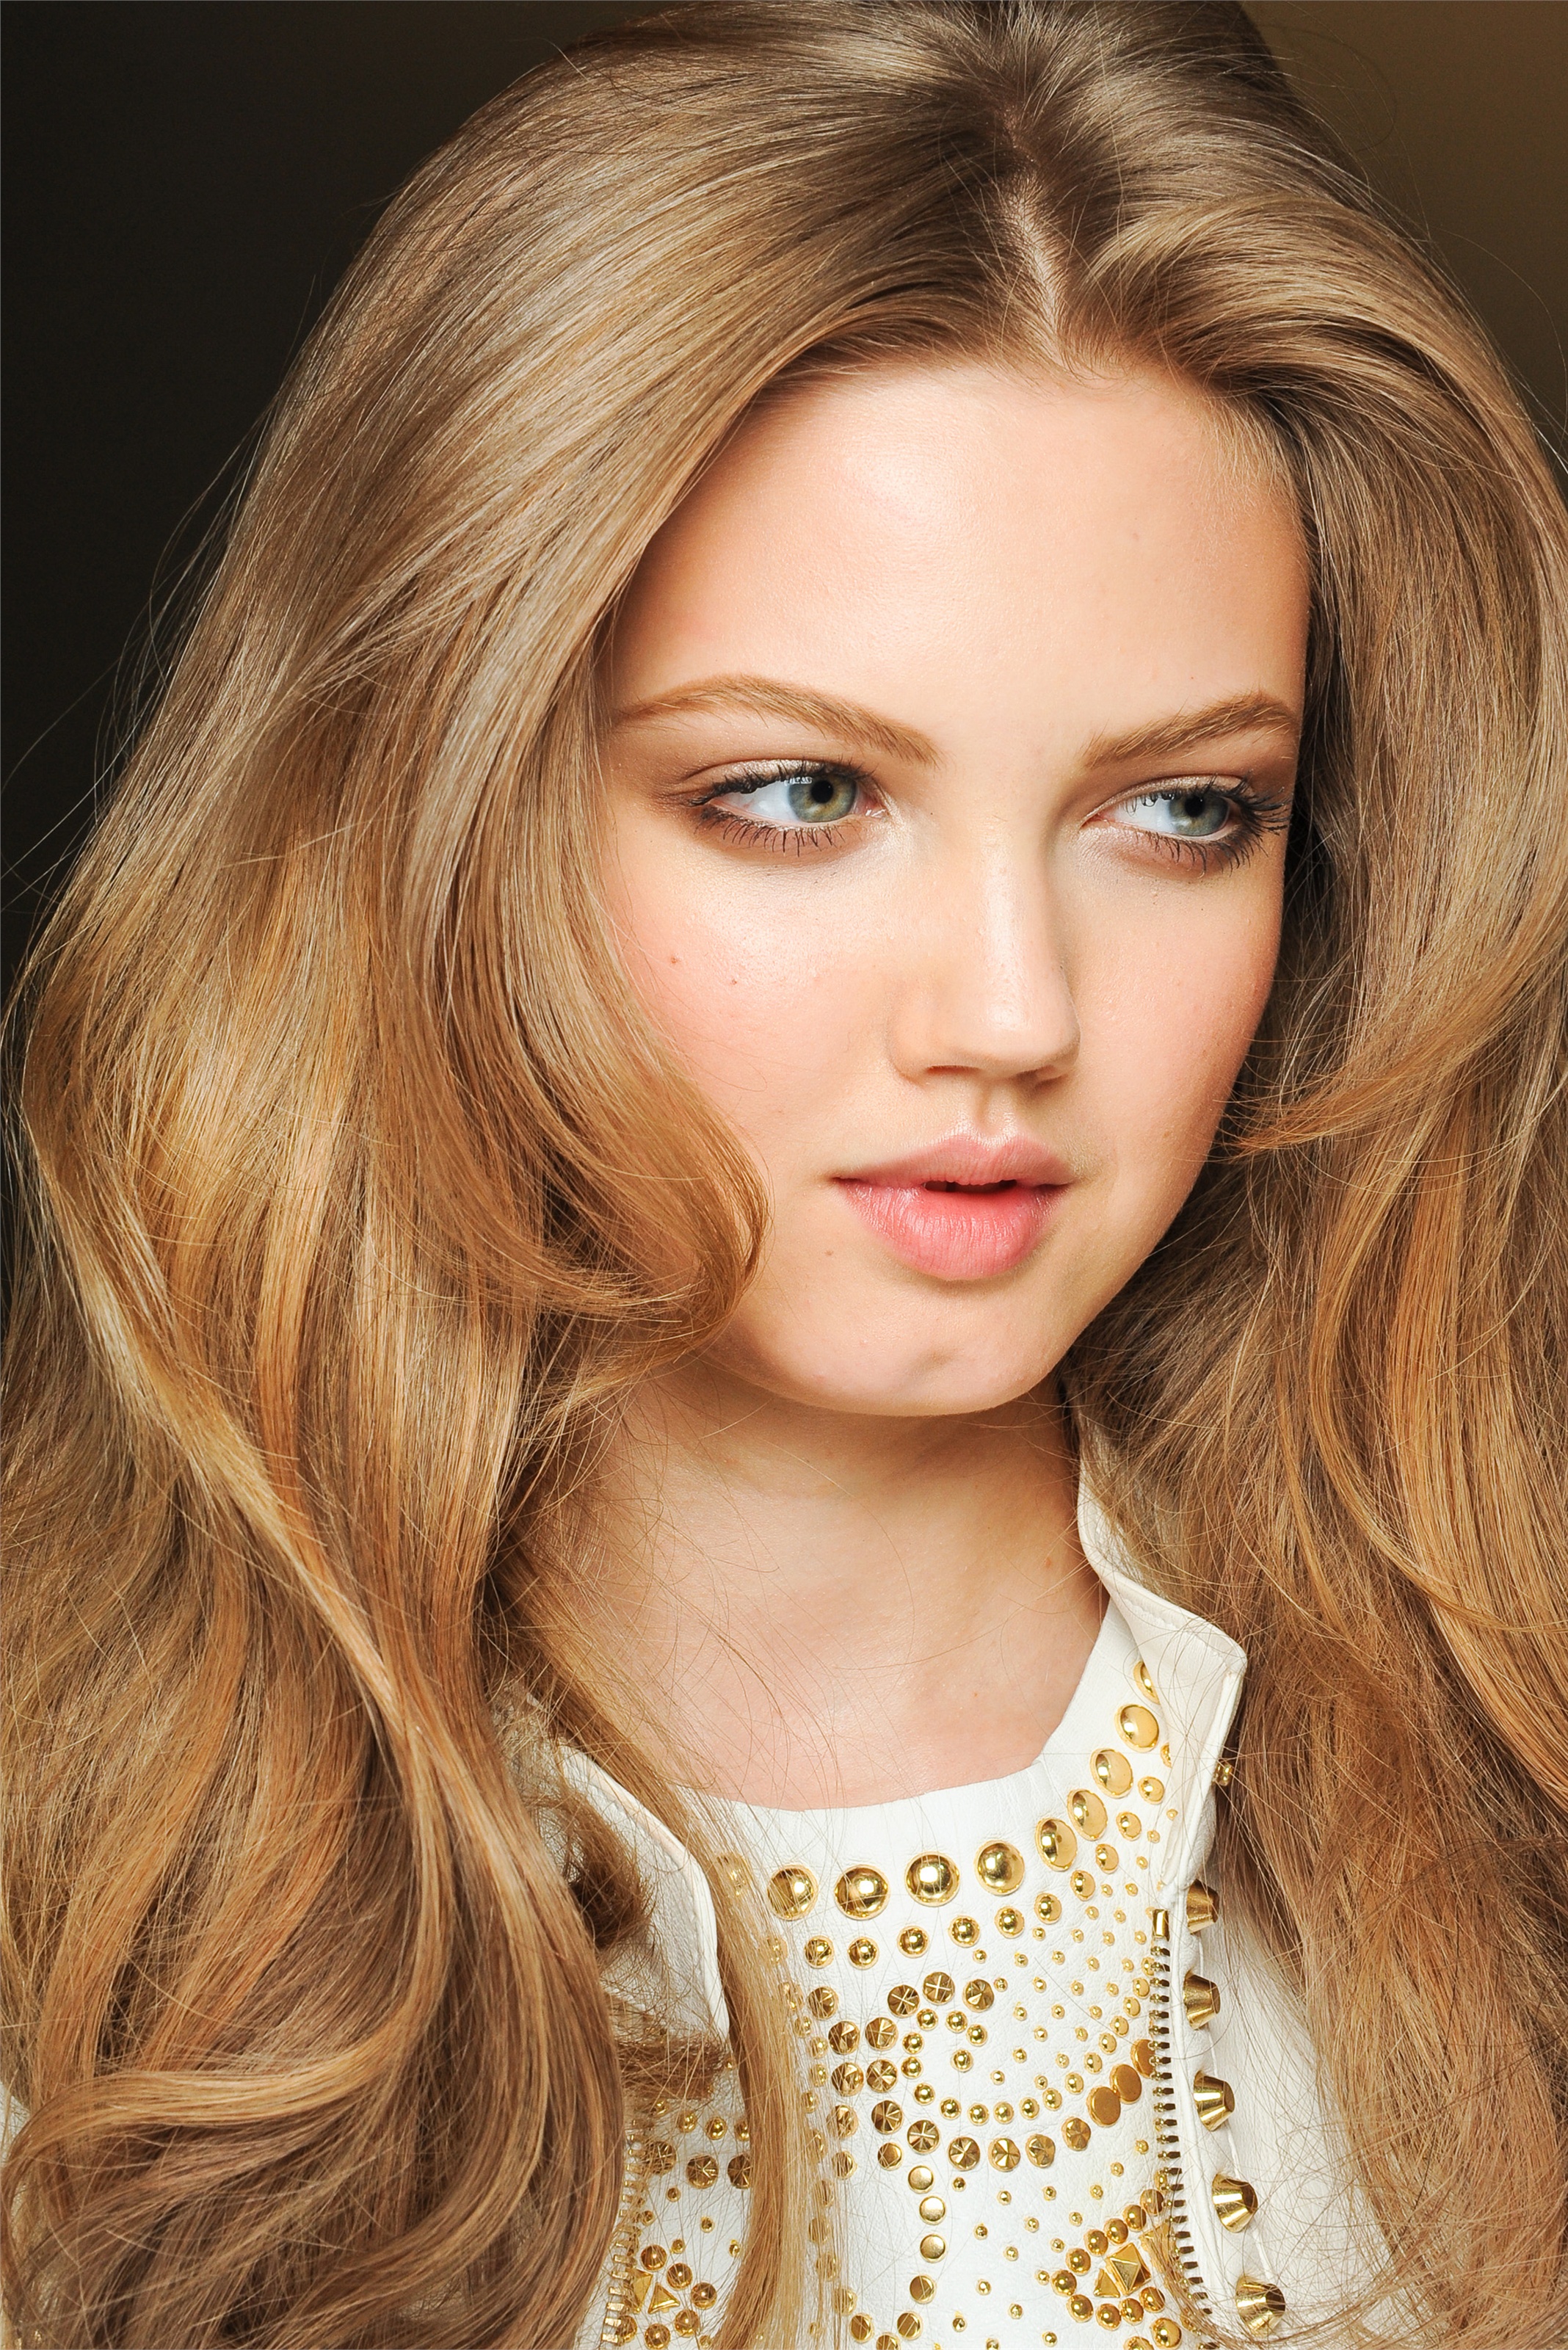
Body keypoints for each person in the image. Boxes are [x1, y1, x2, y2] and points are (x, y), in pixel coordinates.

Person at [4, 5, 1565, 2346]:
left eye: (1184, 810)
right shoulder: (74, 1865)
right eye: (803, 794)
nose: (1012, 1010)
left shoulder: (1517, 1782)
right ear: (434, 817)